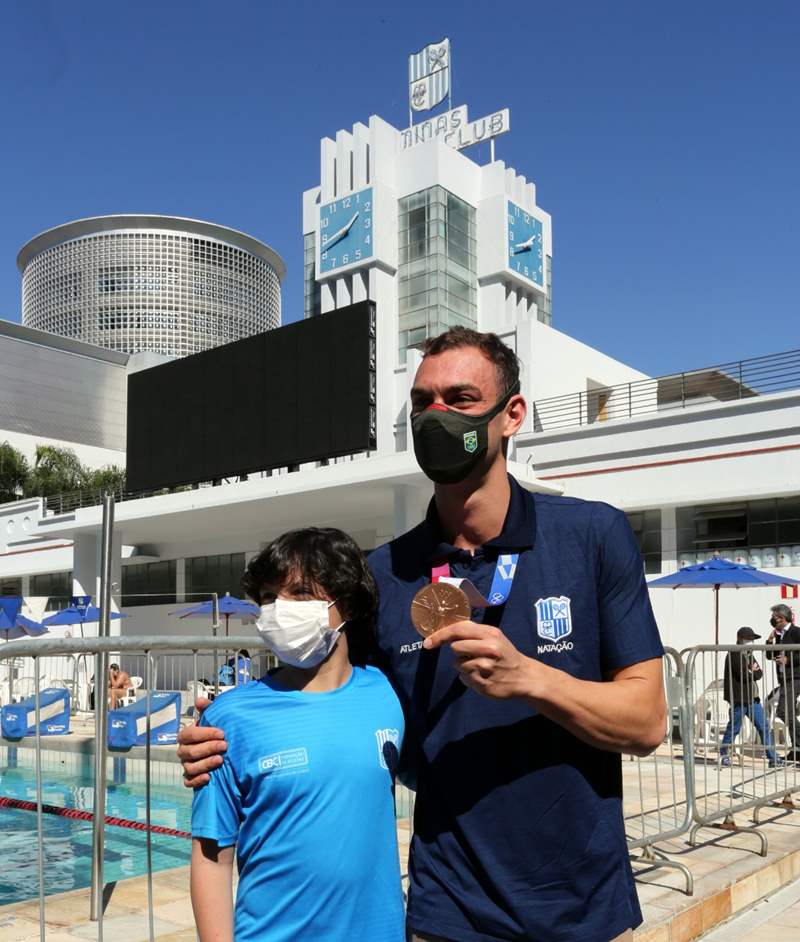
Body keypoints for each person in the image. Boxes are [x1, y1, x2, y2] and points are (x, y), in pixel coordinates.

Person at [180, 327, 666, 942]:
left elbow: (647, 721)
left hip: (581, 908)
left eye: (460, 399)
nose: (436, 417)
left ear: (511, 415)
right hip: (448, 913)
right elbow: (321, 688)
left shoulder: (592, 537)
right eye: (421, 403)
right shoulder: (385, 574)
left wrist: (532, 680)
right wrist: (219, 729)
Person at [190, 527, 405, 942]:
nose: (279, 610)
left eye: (301, 593)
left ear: (348, 604)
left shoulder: (387, 695)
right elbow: (211, 858)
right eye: (270, 598)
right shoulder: (229, 718)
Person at [719, 627, 780, 766]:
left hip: (752, 699)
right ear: (739, 638)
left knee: (764, 726)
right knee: (734, 728)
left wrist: (751, 671)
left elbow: (759, 674)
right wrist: (750, 671)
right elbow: (743, 675)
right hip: (740, 699)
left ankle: (773, 758)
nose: (751, 641)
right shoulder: (735, 653)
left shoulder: (749, 654)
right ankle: (724, 754)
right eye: (748, 639)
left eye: (752, 639)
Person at [765, 603, 800, 759]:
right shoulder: (779, 635)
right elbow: (768, 656)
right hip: (784, 679)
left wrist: (788, 659)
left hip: (796, 677)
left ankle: (797, 748)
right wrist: (769, 641)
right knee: (786, 712)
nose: (773, 620)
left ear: (784, 617)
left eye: (776, 617)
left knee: (785, 711)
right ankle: (796, 750)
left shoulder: (796, 632)